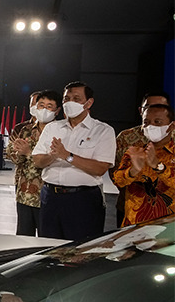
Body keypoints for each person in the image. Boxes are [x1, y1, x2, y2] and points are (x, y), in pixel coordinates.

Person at [32, 81, 116, 240]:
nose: (70, 102)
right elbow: (37, 160)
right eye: (66, 99)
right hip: (51, 197)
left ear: (89, 102)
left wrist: (67, 156)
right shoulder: (53, 128)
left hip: (83, 201)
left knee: (80, 253)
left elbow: (100, 168)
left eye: (76, 98)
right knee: (48, 248)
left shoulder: (103, 130)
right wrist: (53, 155)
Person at [109, 90, 171, 227]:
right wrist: (133, 171)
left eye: (157, 121)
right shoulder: (132, 147)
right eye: (147, 122)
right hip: (133, 220)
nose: (151, 126)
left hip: (168, 219)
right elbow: (117, 179)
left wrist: (158, 166)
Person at [6, 90, 61, 236]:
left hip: (47, 196)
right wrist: (19, 153)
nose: (44, 109)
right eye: (41, 105)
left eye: (49, 106)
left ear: (57, 111)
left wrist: (29, 153)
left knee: (46, 238)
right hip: (24, 193)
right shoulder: (25, 130)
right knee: (23, 238)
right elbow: (14, 158)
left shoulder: (60, 131)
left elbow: (56, 161)